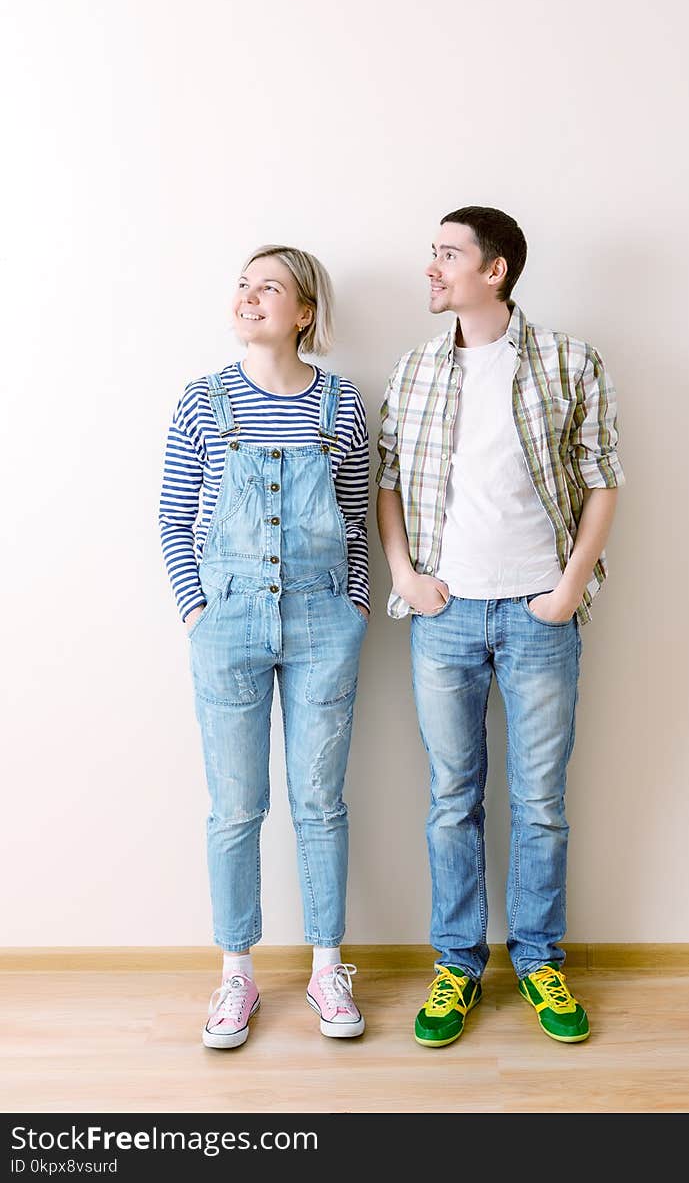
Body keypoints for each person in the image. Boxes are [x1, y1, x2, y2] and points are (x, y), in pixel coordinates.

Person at [376, 206, 625, 1048]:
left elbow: (602, 479)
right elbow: (388, 484)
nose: (432, 268)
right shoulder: (412, 370)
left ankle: (539, 957)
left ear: (497, 270)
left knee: (542, 803)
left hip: (539, 613)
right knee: (452, 800)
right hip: (443, 617)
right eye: (432, 254)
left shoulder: (569, 359)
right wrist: (406, 575)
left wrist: (569, 587)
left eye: (448, 255)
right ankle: (456, 965)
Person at [159, 244, 369, 1048]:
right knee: (235, 806)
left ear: (304, 311)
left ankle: (326, 967)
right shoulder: (202, 401)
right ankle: (236, 976)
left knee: (320, 803)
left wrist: (353, 605)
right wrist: (195, 611)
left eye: (269, 286)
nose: (249, 295)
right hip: (229, 623)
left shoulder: (340, 406)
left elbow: (354, 518)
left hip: (324, 624)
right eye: (243, 283)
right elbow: (175, 516)